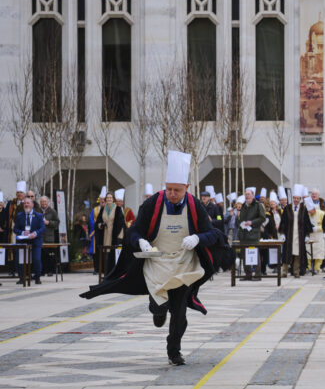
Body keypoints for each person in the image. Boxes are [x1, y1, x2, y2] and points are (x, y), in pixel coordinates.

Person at [80, 150, 231, 366]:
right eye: (169, 189)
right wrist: (140, 241)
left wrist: (198, 238)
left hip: (184, 265)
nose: (172, 193)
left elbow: (215, 234)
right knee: (160, 308)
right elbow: (134, 231)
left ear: (186, 188)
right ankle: (157, 310)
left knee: (179, 313)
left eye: (177, 190)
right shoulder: (153, 204)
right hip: (157, 263)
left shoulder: (194, 205)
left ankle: (174, 351)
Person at [278, 185, 313, 278]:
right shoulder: (287, 208)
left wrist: (307, 235)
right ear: (292, 198)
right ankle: (284, 271)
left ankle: (296, 272)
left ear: (300, 199)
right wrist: (282, 233)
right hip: (289, 235)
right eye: (295, 198)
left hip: (299, 235)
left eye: (298, 198)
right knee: (286, 253)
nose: (296, 200)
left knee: (298, 254)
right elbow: (283, 222)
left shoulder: (303, 209)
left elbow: (307, 223)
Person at [13, 196, 45, 284]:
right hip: (22, 241)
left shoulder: (38, 215)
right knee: (20, 260)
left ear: (32, 204)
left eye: (28, 203)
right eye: (25, 203)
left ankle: (37, 277)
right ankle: (21, 278)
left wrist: (35, 233)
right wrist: (23, 233)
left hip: (35, 240)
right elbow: (15, 229)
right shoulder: (19, 216)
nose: (26, 205)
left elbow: (42, 228)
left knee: (36, 259)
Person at [237, 187, 266, 280]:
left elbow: (262, 218)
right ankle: (248, 274)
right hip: (244, 234)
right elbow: (241, 220)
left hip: (253, 234)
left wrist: (252, 222)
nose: (247, 196)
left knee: (254, 254)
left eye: (249, 194)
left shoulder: (258, 205)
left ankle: (257, 274)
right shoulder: (243, 206)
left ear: (253, 196)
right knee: (245, 256)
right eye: (246, 195)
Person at [96, 191, 126, 275]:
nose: (109, 199)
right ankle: (105, 272)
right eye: (107, 198)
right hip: (105, 234)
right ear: (105, 199)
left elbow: (121, 223)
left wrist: (117, 234)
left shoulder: (118, 209)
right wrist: (100, 225)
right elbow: (98, 221)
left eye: (110, 198)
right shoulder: (102, 209)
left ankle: (112, 273)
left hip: (114, 235)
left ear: (113, 199)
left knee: (113, 254)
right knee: (105, 253)